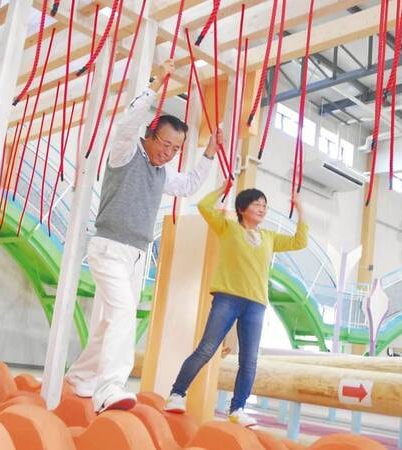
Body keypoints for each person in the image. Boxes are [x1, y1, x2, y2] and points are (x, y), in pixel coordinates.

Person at [65, 60, 222, 413]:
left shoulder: (162, 173)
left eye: (175, 149)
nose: (168, 152)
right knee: (122, 312)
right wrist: (156, 82)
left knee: (113, 320)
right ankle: (109, 388)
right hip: (108, 247)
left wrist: (209, 152)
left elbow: (190, 185)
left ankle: (80, 376)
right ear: (150, 135)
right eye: (164, 143)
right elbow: (127, 124)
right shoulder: (126, 153)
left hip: (136, 255)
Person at [164, 181, 308, 427]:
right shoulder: (228, 227)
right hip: (227, 298)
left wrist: (300, 208)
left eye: (265, 206)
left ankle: (238, 408)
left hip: (256, 305)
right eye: (257, 204)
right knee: (206, 349)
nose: (262, 209)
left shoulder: (269, 237)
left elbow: (300, 241)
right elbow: (204, 206)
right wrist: (223, 189)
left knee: (249, 360)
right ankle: (177, 394)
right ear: (242, 208)